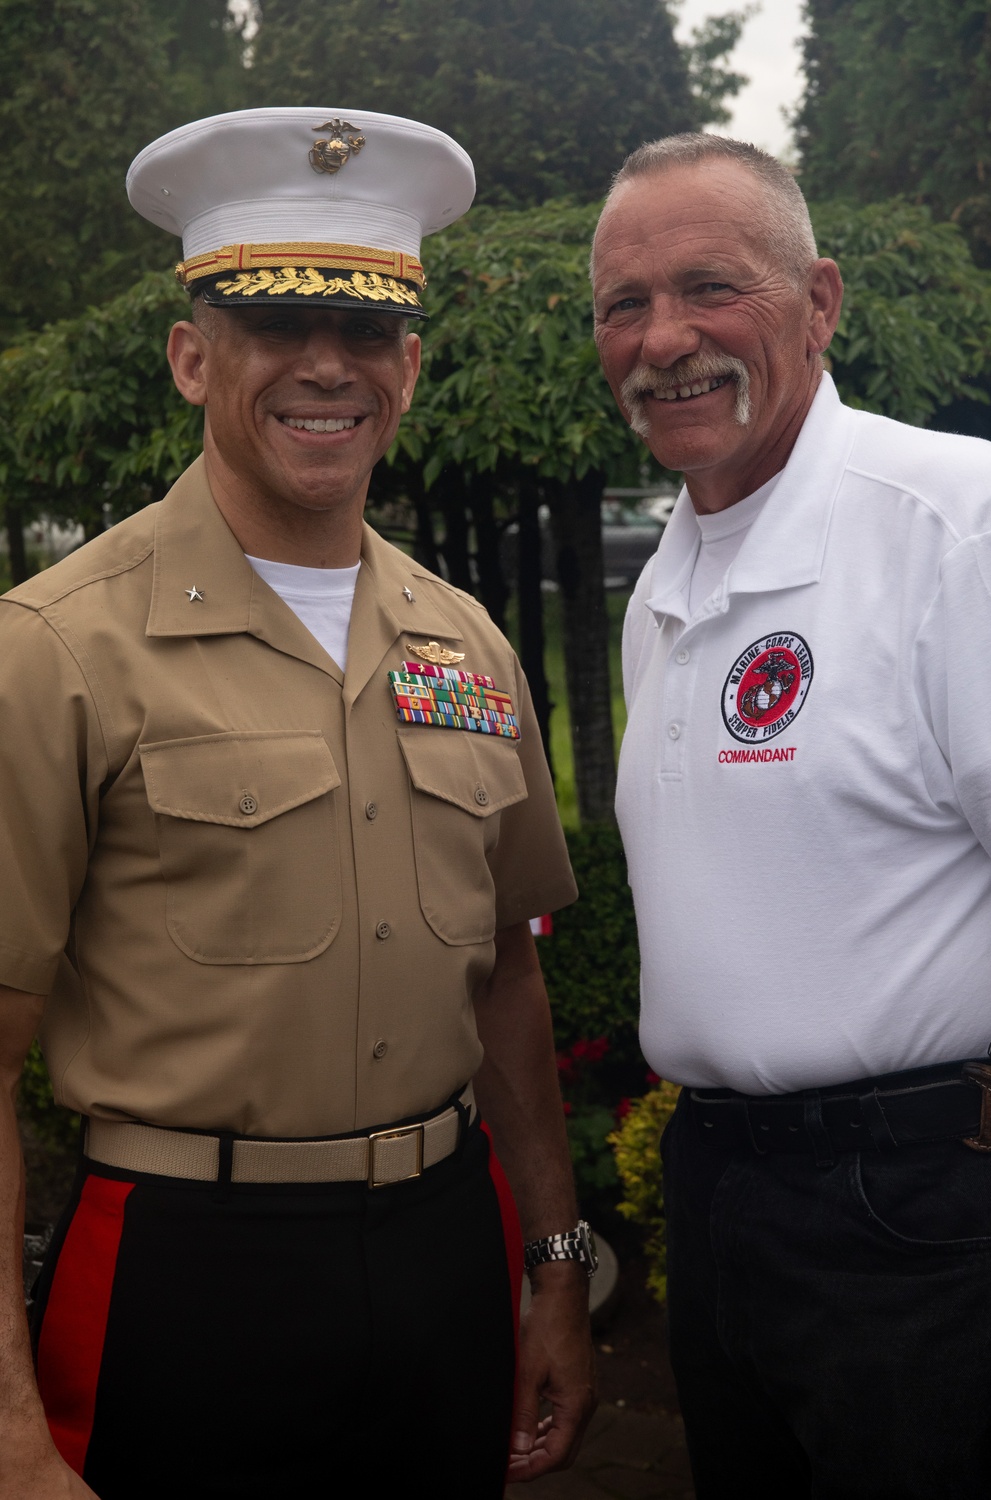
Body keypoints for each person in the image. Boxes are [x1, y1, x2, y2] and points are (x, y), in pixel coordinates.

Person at [0, 108, 597, 1500]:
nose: (327, 363)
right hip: (182, 1271)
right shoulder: (58, 648)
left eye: (367, 326)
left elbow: (505, 981)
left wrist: (556, 1268)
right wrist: (13, 1434)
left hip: (448, 1250)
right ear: (192, 356)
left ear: (411, 364)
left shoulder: (464, 641)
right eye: (277, 323)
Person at [592, 131, 991, 1498]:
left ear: (820, 302)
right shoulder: (669, 575)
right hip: (717, 1192)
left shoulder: (957, 526)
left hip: (923, 1210)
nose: (665, 339)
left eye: (711, 286)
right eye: (623, 305)